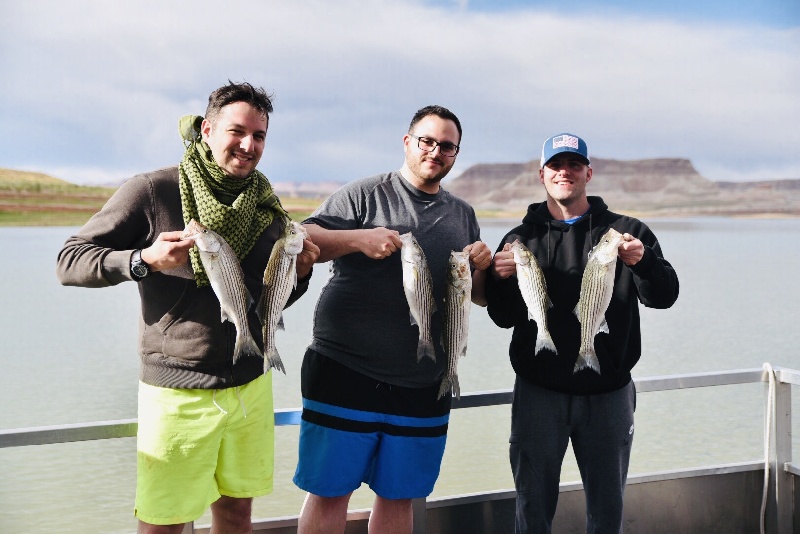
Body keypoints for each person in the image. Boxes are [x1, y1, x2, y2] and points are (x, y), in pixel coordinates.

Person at [56, 81, 320, 533]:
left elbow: (264, 305)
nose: (248, 145)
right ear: (207, 129)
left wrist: (299, 277)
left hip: (250, 385)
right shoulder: (153, 191)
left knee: (237, 514)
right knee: (165, 522)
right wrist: (144, 261)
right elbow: (70, 260)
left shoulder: (266, 207)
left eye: (259, 137)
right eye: (237, 132)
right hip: (176, 392)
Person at [293, 105, 492, 533]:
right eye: (427, 141)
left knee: (400, 495)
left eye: (447, 146)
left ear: (456, 154)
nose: (435, 151)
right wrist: (356, 239)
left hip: (423, 381)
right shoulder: (364, 194)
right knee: (329, 492)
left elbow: (479, 298)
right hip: (344, 370)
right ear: (408, 142)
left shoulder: (463, 215)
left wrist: (485, 266)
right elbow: (302, 239)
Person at [486, 133, 679, 533]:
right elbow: (503, 318)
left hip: (608, 394)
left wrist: (643, 264)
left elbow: (664, 296)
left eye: (574, 165)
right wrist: (497, 279)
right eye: (556, 165)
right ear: (542, 174)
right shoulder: (520, 239)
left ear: (589, 172)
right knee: (532, 506)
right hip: (539, 394)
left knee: (607, 511)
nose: (565, 172)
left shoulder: (626, 232)